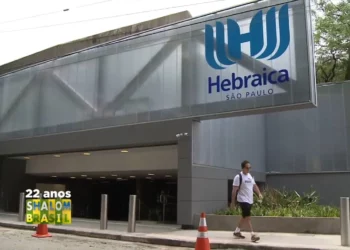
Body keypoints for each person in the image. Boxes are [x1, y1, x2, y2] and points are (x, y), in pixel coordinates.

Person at [231, 160, 263, 242]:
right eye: (247, 168)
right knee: (248, 217)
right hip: (242, 199)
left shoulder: (249, 176)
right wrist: (233, 203)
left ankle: (237, 231)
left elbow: (254, 186)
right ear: (243, 168)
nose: (248, 169)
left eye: (250, 168)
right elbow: (234, 191)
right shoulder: (238, 177)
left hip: (250, 200)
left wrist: (259, 193)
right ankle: (253, 235)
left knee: (244, 216)